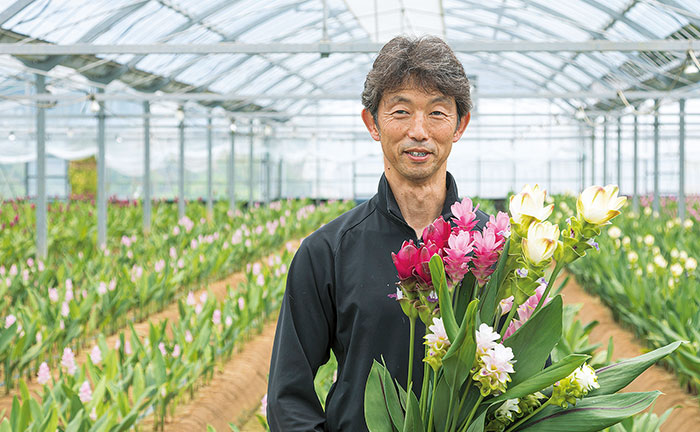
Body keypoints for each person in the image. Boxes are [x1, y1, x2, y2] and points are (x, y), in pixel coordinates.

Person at [266, 35, 490, 431]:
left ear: (460, 125)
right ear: (372, 122)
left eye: (437, 113)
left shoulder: (493, 247)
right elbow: (288, 397)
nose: (418, 131)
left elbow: (530, 383)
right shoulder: (326, 253)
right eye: (401, 111)